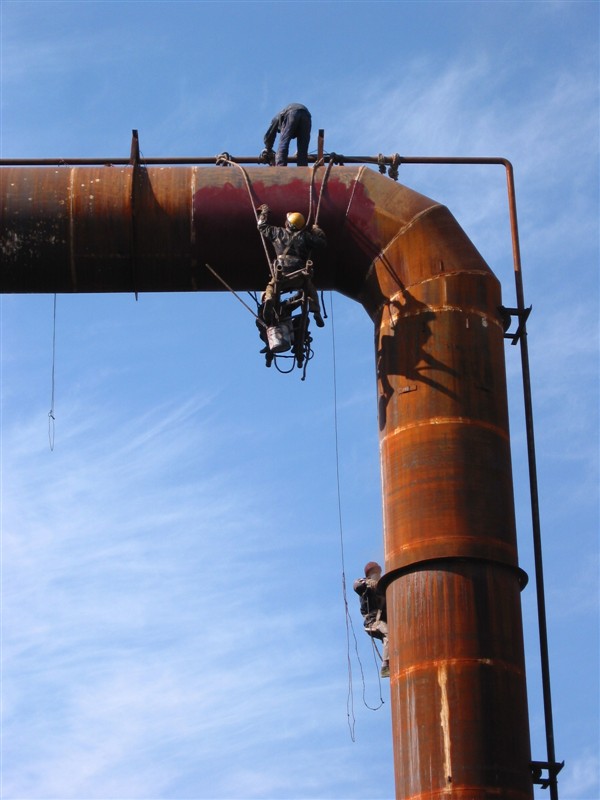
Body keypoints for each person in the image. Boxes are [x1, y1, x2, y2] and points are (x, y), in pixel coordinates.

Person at [257, 204, 325, 328]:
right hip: (299, 276)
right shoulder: (305, 236)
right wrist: (317, 231)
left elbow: (261, 226)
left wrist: (264, 212)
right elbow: (322, 243)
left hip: (282, 275)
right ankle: (316, 312)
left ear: (287, 223)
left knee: (271, 286)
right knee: (311, 289)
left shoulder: (277, 232)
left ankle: (269, 299)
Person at [353, 561, 390, 678]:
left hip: (381, 620)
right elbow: (357, 586)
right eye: (376, 572)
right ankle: (386, 666)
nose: (378, 574)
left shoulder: (384, 590)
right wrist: (369, 583)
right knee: (390, 635)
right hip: (373, 622)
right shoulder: (365, 585)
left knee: (391, 637)